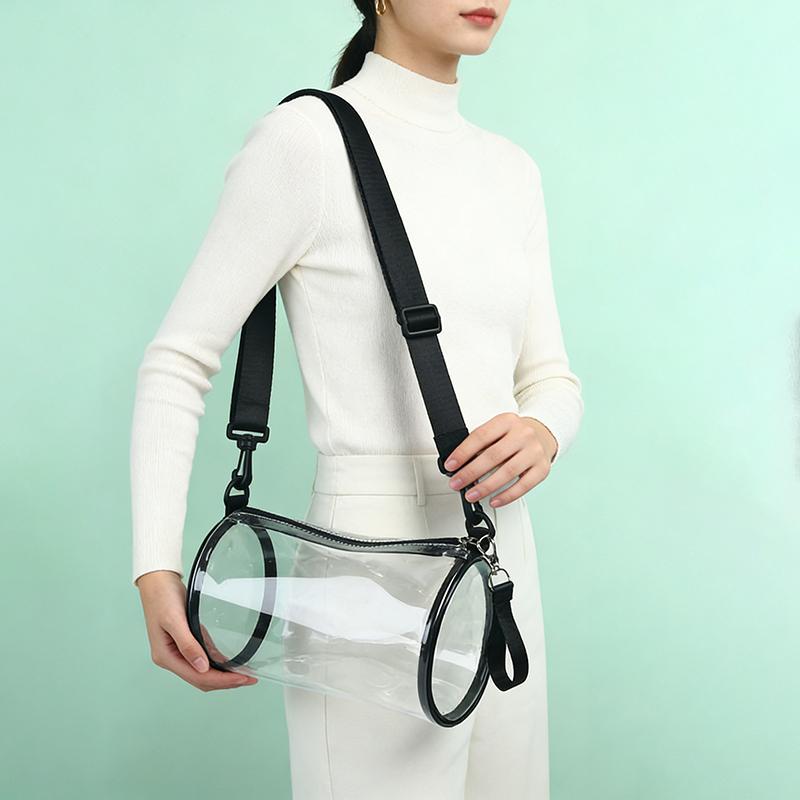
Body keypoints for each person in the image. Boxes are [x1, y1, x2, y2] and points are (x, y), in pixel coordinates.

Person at [131, 1, 584, 798]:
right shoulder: (306, 141)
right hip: (365, 559)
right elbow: (178, 360)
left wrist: (543, 430)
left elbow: (550, 374)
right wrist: (154, 567)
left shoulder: (511, 170)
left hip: (502, 546)